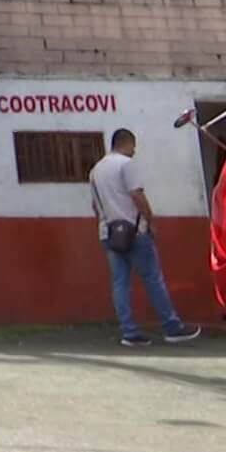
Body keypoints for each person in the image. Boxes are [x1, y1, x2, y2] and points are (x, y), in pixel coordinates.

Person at [89, 128, 202, 348]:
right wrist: (150, 221)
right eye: (133, 146)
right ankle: (172, 327)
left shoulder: (95, 170)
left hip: (108, 232)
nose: (134, 151)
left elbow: (95, 205)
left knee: (120, 282)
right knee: (152, 278)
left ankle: (129, 332)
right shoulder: (125, 164)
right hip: (134, 230)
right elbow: (136, 195)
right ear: (127, 143)